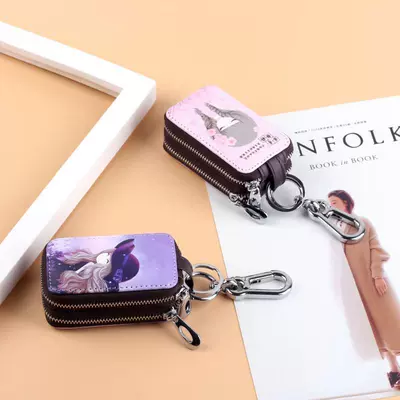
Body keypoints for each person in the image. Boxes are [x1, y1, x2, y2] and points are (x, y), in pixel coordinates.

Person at [328, 190, 400, 388]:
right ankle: (394, 370)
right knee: (373, 329)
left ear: (345, 203)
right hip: (354, 289)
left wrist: (377, 276)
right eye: (329, 203)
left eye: (334, 202)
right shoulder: (333, 228)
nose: (331, 206)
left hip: (373, 282)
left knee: (391, 323)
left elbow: (375, 249)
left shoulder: (361, 223)